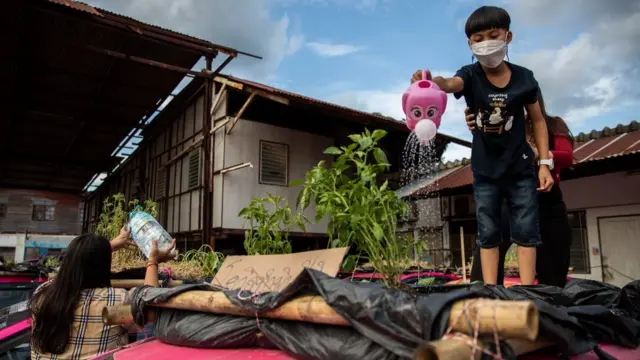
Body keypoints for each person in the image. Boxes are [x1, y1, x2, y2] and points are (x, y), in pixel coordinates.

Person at [411, 5, 554, 285]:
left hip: (521, 167)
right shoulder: (470, 75)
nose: (486, 42)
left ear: (507, 37)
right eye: (478, 38)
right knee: (488, 232)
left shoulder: (525, 78)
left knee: (526, 230)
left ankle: (526, 292)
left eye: (493, 34)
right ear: (470, 43)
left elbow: (538, 121)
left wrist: (544, 164)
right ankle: (490, 291)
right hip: (485, 170)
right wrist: (431, 82)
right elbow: (450, 83)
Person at [467, 89, 575, 287]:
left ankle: (549, 308)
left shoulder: (553, 124)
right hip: (512, 198)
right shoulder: (505, 125)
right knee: (488, 250)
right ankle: (487, 301)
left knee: (554, 265)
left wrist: (540, 154)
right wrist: (477, 129)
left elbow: (567, 156)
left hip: (547, 200)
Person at [30, 228, 177, 360]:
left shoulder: (42, 294)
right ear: (104, 267)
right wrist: (153, 261)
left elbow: (78, 262)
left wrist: (108, 247)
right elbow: (147, 299)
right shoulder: (115, 299)